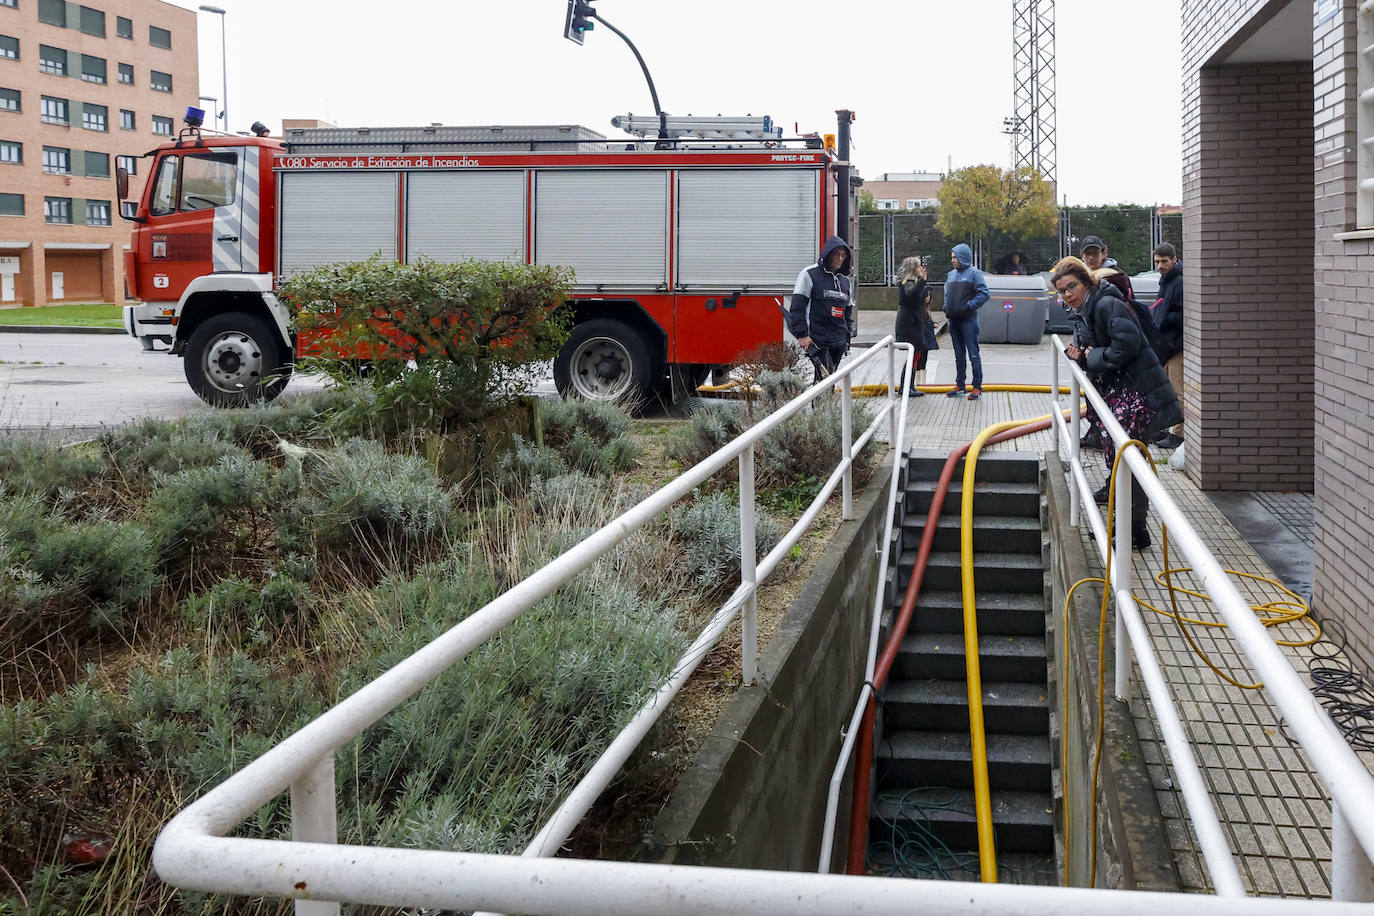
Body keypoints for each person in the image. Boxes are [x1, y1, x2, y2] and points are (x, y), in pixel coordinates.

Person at [1052, 256, 1183, 549]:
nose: (1067, 294)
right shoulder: (1086, 309)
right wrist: (1083, 354)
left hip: (1138, 395)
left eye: (1071, 286)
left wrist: (1089, 356)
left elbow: (1125, 346)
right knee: (1124, 462)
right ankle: (1130, 529)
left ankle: (1132, 531)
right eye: (1062, 291)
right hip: (1123, 394)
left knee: (1129, 462)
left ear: (1086, 282)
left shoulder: (1106, 304)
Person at [790, 236, 855, 383]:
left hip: (838, 340)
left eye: (843, 255)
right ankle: (821, 406)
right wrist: (802, 335)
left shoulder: (844, 281)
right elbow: (797, 307)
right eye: (836, 254)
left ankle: (825, 406)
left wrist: (847, 337)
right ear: (827, 254)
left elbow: (848, 311)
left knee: (829, 378)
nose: (840, 258)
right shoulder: (810, 274)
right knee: (824, 378)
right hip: (817, 340)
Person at [943, 243, 990, 400]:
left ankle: (977, 386)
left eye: (955, 257)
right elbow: (946, 293)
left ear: (963, 257)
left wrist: (969, 305)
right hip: (953, 321)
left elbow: (984, 294)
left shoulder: (974, 274)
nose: (953, 260)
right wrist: (946, 306)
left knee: (973, 355)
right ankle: (960, 384)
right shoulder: (951, 274)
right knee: (958, 354)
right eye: (952, 257)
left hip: (968, 321)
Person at [1151, 243, 1184, 449]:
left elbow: (1185, 314)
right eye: (1157, 262)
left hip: (1176, 346)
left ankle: (1179, 434)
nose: (1160, 266)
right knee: (1164, 390)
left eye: (1164, 261)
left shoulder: (1178, 281)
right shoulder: (1166, 281)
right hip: (1165, 345)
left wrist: (1163, 317)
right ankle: (1166, 428)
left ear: (1174, 259)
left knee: (1177, 390)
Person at [895, 256, 938, 396]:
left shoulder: (912, 282)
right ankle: (905, 387)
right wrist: (922, 282)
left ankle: (910, 386)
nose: (921, 269)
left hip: (914, 321)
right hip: (909, 323)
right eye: (919, 267)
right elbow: (912, 294)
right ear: (913, 269)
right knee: (913, 354)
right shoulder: (907, 282)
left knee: (917, 354)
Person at [1079, 235, 1133, 300]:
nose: (1091, 258)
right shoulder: (1078, 275)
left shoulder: (1118, 276)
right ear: (1082, 256)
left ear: (1104, 254)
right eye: (1087, 254)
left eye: (1095, 253)